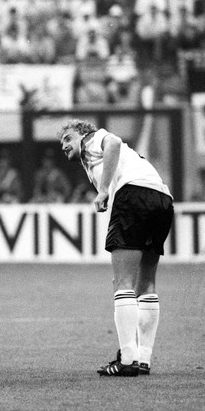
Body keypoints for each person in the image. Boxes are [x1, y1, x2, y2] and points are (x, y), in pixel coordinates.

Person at [58, 119, 173, 377]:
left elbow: (113, 143)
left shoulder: (93, 139)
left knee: (122, 282)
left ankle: (128, 359)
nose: (64, 146)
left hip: (133, 195)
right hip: (162, 198)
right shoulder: (93, 161)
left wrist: (103, 191)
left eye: (68, 138)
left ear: (82, 134)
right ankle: (143, 358)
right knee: (147, 284)